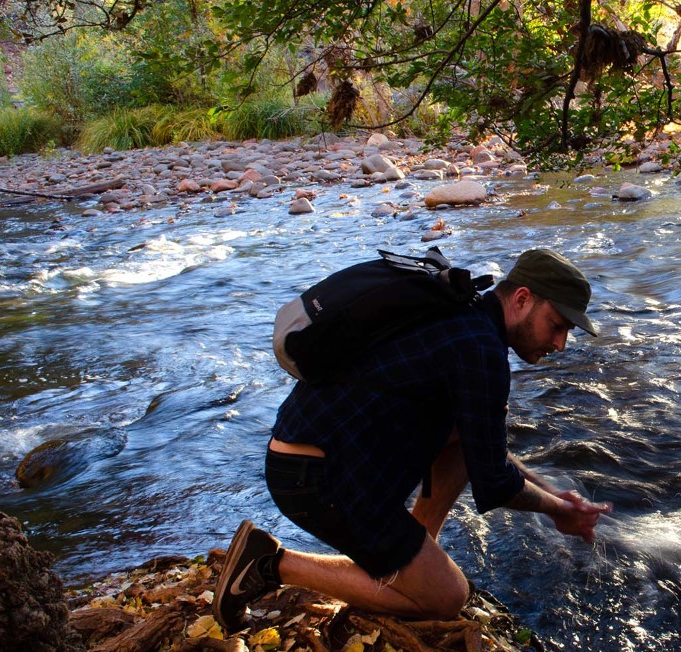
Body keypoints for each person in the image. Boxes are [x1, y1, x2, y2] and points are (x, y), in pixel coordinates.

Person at [213, 248, 611, 629]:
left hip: (306, 452)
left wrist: (554, 493)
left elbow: (486, 450)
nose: (559, 344)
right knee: (447, 600)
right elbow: (495, 483)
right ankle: (268, 563)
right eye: (557, 325)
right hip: (317, 479)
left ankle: (418, 556)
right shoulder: (480, 349)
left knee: (463, 434)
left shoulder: (460, 311)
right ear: (522, 299)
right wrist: (559, 510)